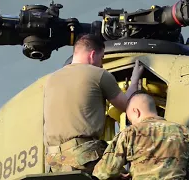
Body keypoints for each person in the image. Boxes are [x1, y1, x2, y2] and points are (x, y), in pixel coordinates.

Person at [43, 34, 144, 174]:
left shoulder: (51, 80)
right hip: (83, 156)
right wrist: (134, 82)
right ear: (92, 55)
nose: (101, 63)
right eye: (101, 58)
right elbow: (127, 107)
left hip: (53, 161)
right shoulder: (98, 74)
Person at [92, 91, 189, 180]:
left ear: (136, 111)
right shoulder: (184, 133)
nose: (131, 123)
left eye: (130, 118)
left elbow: (103, 172)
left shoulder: (131, 132)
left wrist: (119, 175)